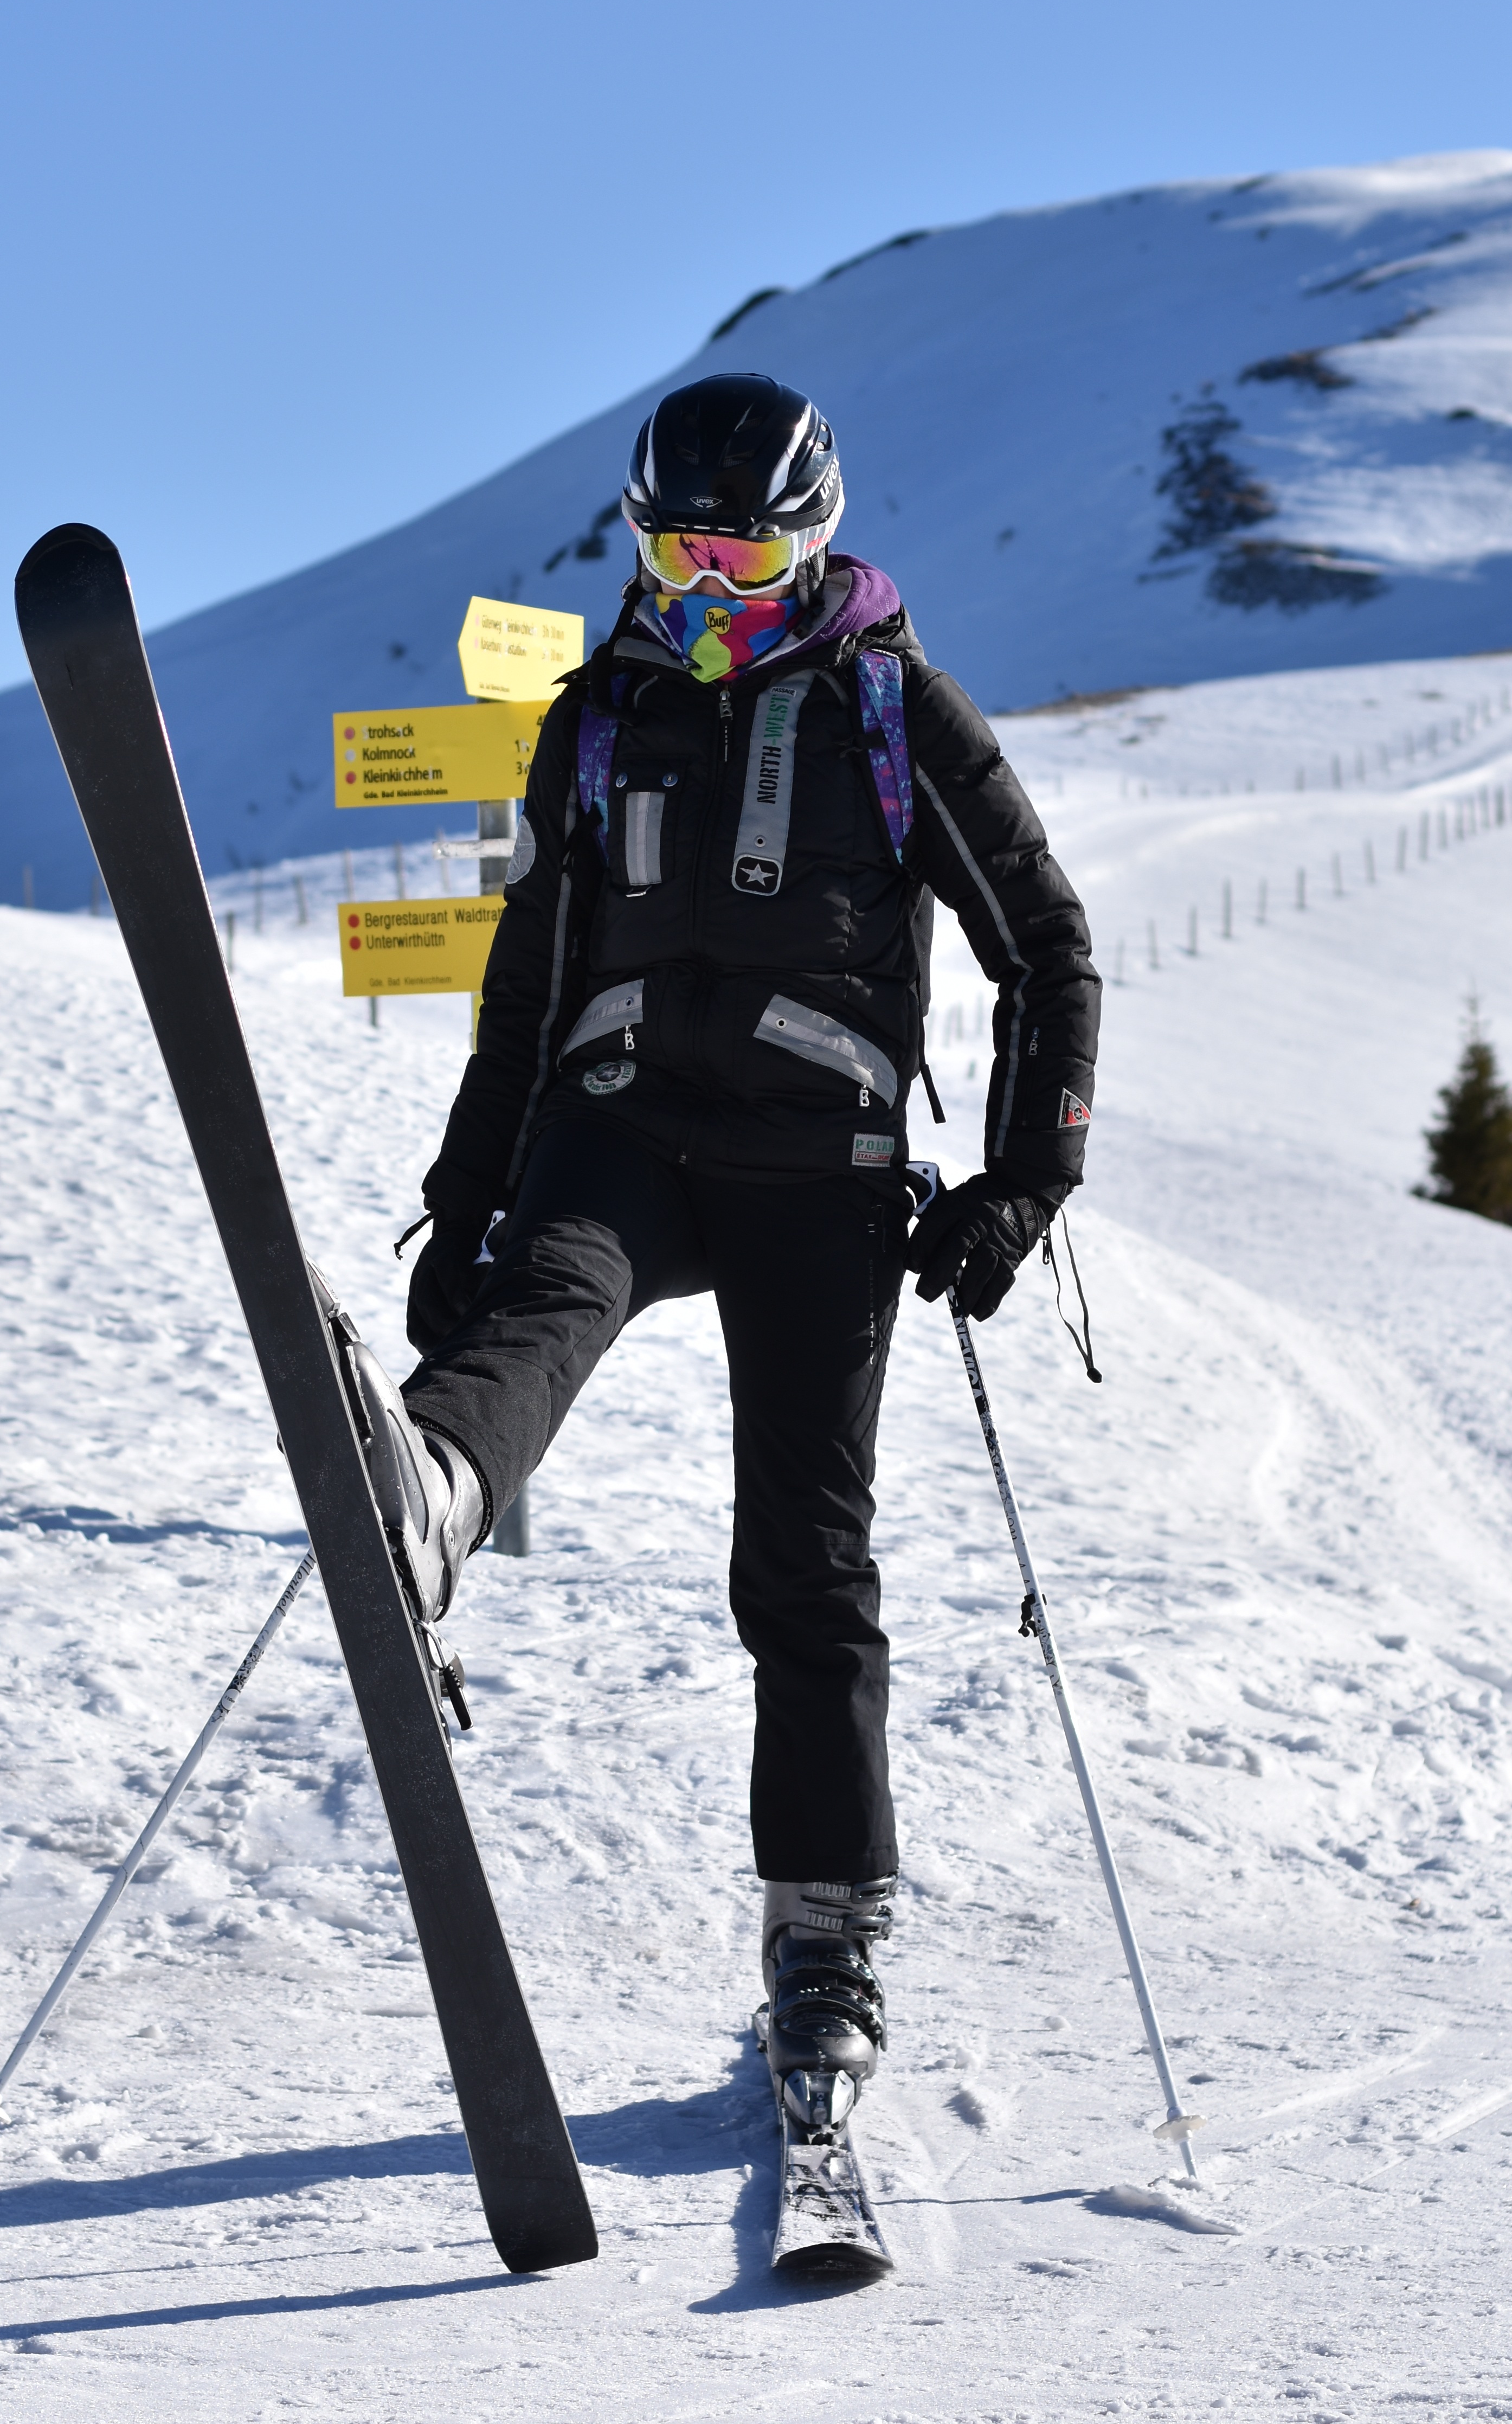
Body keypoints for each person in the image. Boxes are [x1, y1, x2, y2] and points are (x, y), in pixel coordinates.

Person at [346, 371, 1099, 2102]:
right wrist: (464, 1195)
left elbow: (1048, 948)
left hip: (818, 1165)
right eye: (675, 554)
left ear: (812, 542)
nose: (705, 590)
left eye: (742, 560)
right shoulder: (598, 712)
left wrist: (1023, 1185)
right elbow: (530, 977)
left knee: (805, 1561)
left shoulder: (895, 708)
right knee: (540, 1298)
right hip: (619, 1124)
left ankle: (826, 1942)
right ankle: (434, 1497)